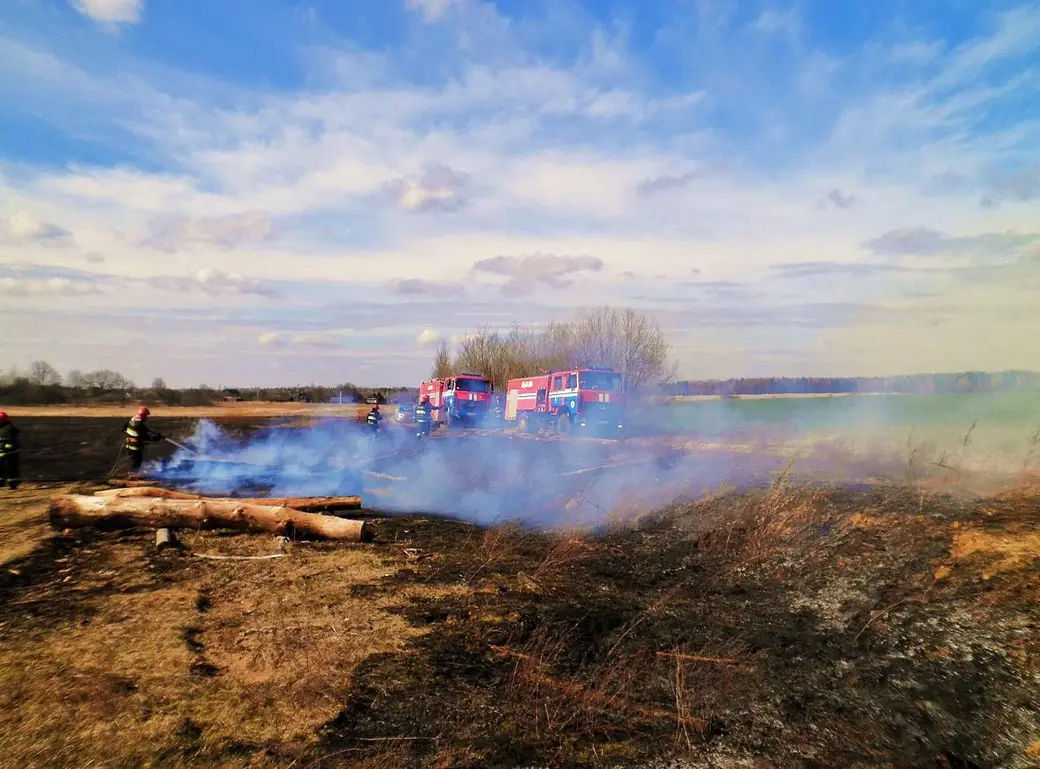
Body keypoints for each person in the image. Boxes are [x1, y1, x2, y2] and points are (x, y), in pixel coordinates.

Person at [124, 406, 163, 472]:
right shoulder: (140, 425)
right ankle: (133, 475)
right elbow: (146, 437)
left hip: (129, 444)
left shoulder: (132, 420)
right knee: (136, 462)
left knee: (132, 460)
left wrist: (130, 436)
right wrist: (157, 438)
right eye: (146, 416)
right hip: (135, 447)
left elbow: (124, 428)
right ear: (143, 415)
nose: (146, 417)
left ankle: (131, 473)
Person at [0, 411, 20, 491]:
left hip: (10, 452)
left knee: (10, 468)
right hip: (2, 451)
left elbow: (10, 442)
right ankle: (1, 483)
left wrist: (4, 450)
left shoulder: (9, 428)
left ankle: (13, 485)